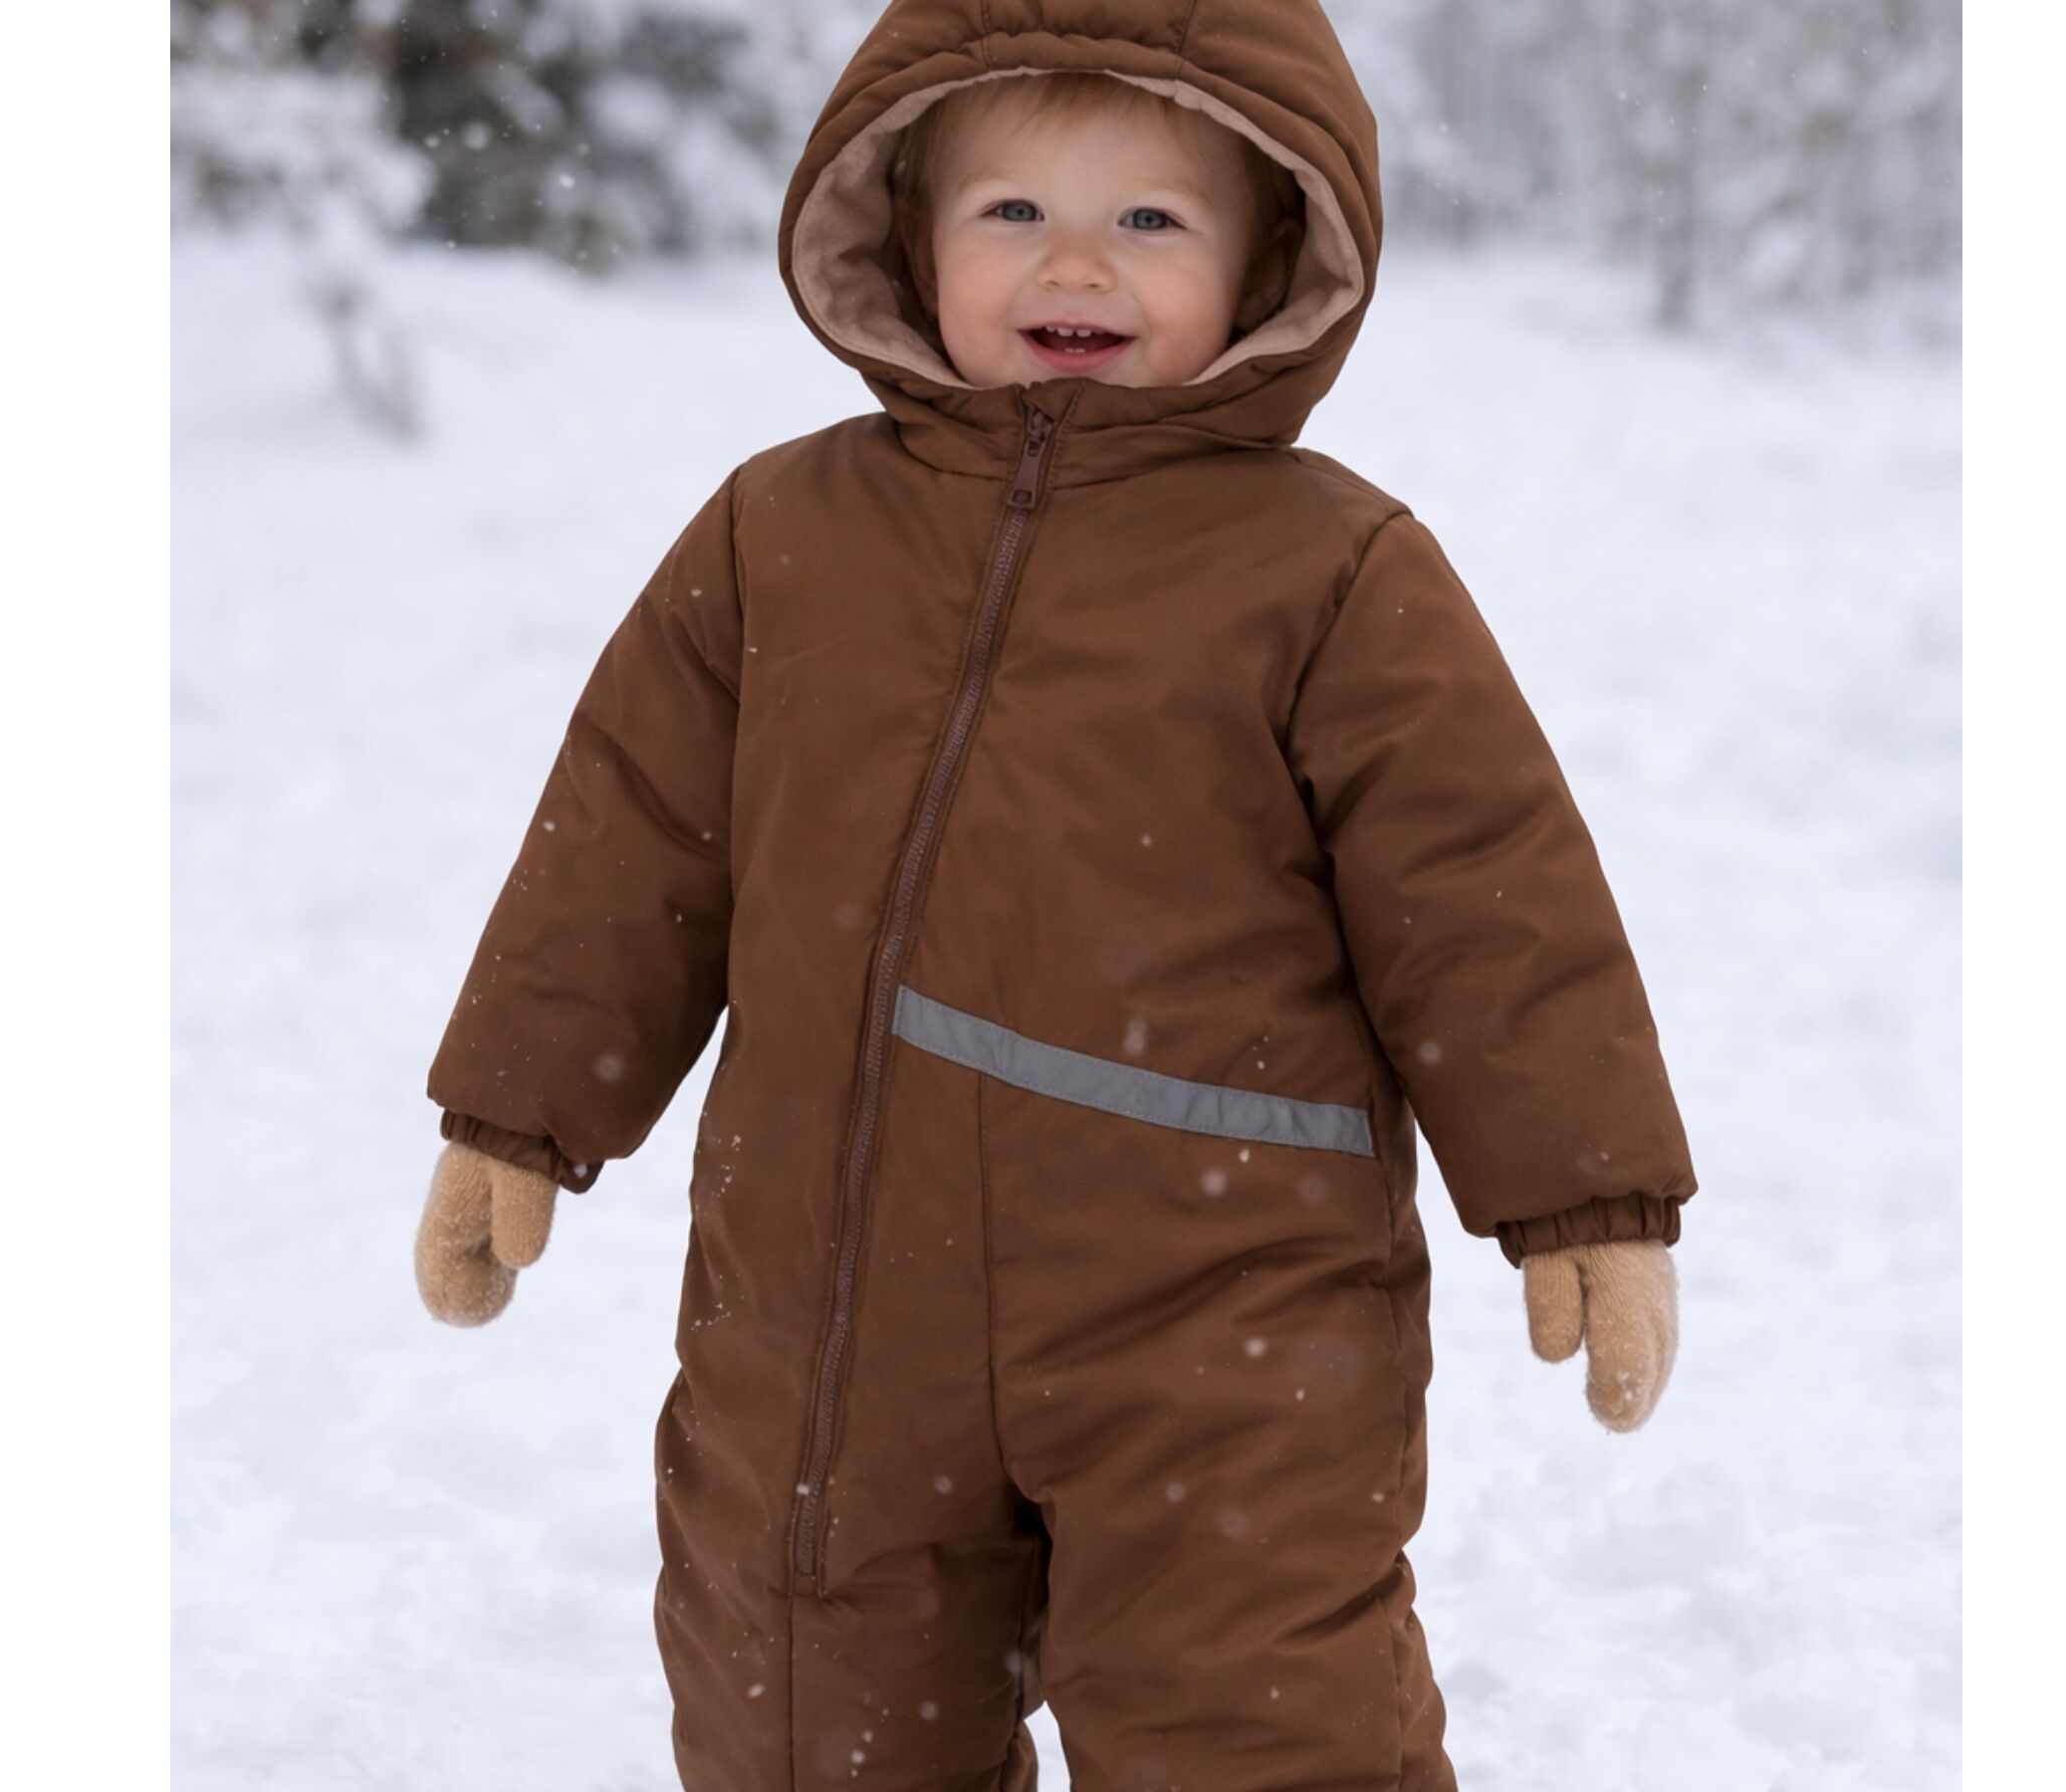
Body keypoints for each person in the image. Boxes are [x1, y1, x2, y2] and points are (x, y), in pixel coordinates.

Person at [413, 2, 1698, 1786]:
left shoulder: (1332, 573)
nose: (1074, 264)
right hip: (832, 1303)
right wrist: (519, 1107)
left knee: (1253, 1713)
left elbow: (1489, 896)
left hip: (1221, 1323)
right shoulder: (780, 535)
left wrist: (1585, 1191)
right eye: (1010, 210)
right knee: (802, 1700)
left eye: (1150, 219)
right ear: (907, 230)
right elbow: (631, 838)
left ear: (1265, 259)